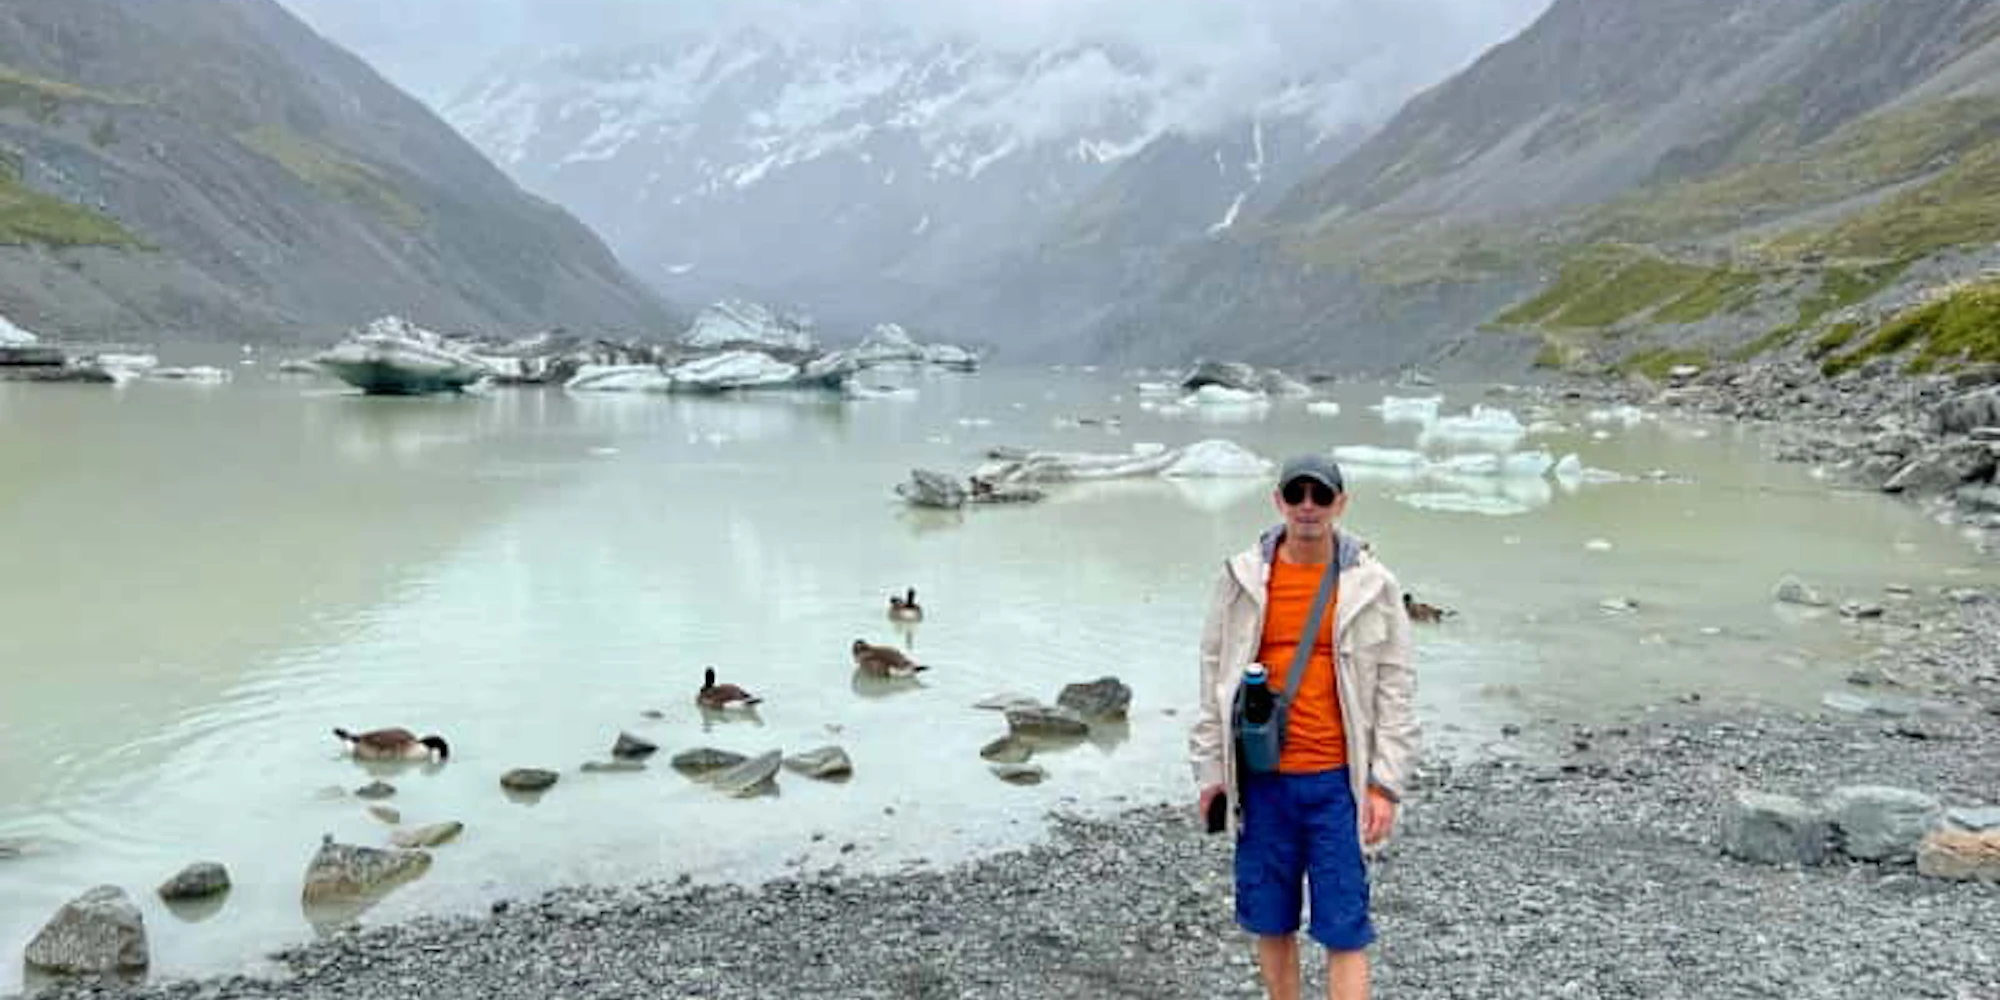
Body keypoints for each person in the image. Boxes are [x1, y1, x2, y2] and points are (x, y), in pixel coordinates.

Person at [1190, 454, 1418, 1000]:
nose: (1309, 506)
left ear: (1341, 503)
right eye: (1298, 494)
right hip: (1262, 780)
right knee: (1271, 920)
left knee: (1345, 927)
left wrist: (1385, 783)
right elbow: (1213, 678)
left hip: (1337, 782)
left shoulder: (1372, 584)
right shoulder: (1242, 579)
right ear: (1279, 501)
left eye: (1321, 495)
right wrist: (1210, 772)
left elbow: (1396, 687)